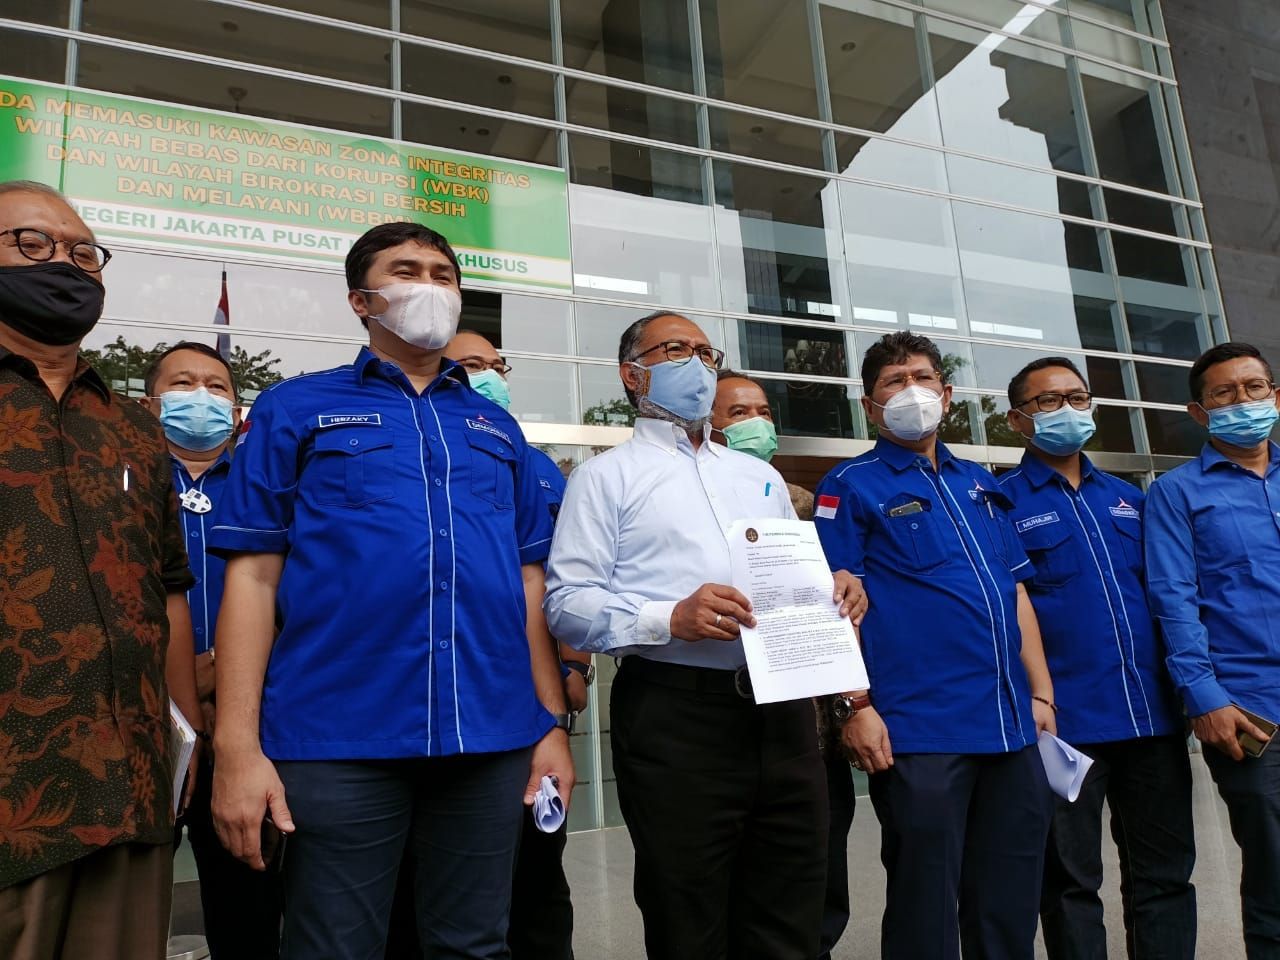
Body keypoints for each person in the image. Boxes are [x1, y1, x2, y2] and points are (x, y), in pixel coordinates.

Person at [207, 222, 574, 960]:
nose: (430, 286)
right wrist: (236, 747)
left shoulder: (495, 426)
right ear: (361, 299)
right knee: (334, 946)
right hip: (336, 736)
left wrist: (551, 723)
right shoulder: (295, 408)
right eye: (407, 270)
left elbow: (527, 582)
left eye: (443, 274)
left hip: (491, 736)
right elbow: (253, 575)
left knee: (474, 944)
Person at [544, 311, 866, 960]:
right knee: (688, 917)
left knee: (791, 913)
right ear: (633, 375)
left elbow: (782, 580)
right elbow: (567, 604)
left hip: (781, 717)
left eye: (705, 352)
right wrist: (669, 617)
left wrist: (827, 590)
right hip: (674, 716)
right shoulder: (603, 479)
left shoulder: (760, 479)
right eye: (675, 350)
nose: (697, 363)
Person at [0, 179, 203, 960]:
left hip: (131, 791)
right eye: (33, 244)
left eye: (83, 252)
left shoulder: (133, 431)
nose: (64, 263)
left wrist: (185, 740)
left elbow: (168, 590)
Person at [813, 331, 1055, 960]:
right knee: (926, 908)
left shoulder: (981, 483)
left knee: (1008, 905)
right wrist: (855, 706)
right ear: (870, 405)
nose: (911, 391)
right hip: (919, 734)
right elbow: (832, 607)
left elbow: (1017, 593)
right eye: (894, 382)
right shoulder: (849, 486)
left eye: (922, 378)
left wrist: (1043, 695)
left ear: (946, 395)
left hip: (1010, 731)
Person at [996, 356, 1195, 959]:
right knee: (1069, 885)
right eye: (1049, 401)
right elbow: (1006, 612)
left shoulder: (1133, 499)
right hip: (1065, 727)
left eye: (1077, 397)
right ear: (1017, 421)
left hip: (1152, 719)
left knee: (1164, 877)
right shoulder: (998, 503)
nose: (1067, 410)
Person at [142, 341, 283, 959]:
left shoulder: (267, 484)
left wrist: (225, 669)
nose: (200, 397)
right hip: (147, 730)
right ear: (151, 405)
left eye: (217, 386)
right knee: (134, 908)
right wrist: (174, 684)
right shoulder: (126, 479)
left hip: (249, 729)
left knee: (248, 908)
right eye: (182, 383)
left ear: (236, 406)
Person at [709, 368, 854, 960]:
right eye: (739, 414)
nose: (757, 424)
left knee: (817, 881)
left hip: (810, 723)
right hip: (722, 718)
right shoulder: (684, 507)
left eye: (763, 412)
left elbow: (827, 602)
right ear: (708, 424)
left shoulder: (797, 504)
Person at [1145, 341, 1280, 959]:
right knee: (1276, 868)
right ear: (1200, 412)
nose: (1242, 401)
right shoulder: (1175, 493)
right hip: (1251, 708)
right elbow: (1174, 600)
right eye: (1224, 393)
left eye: (1254, 388)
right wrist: (1203, 697)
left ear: (1275, 396)